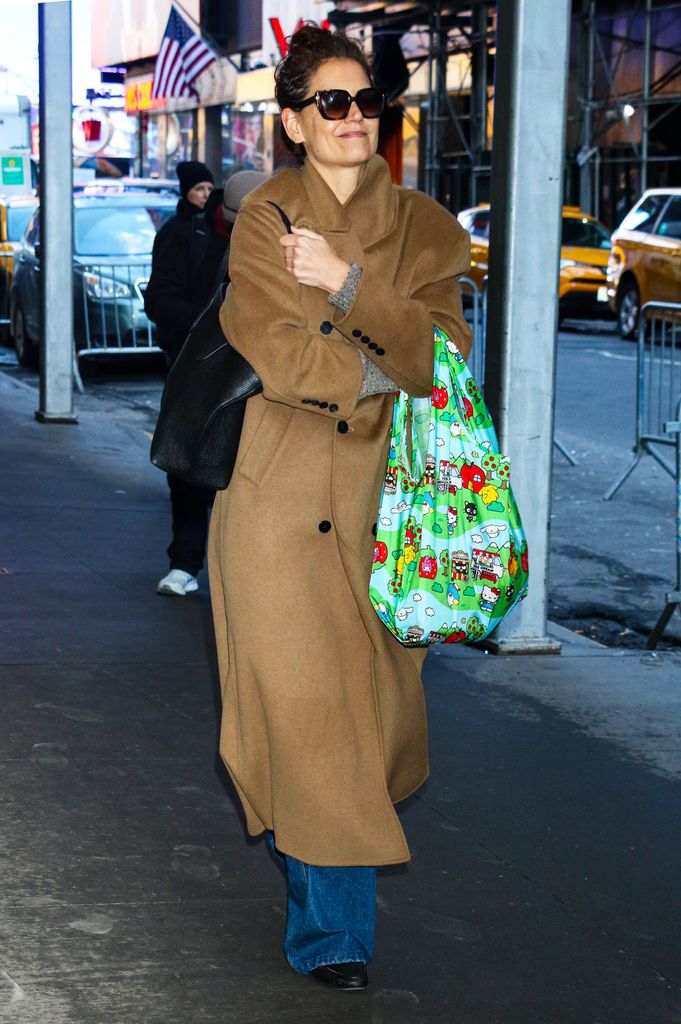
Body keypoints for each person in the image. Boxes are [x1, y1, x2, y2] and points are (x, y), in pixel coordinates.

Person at [208, 24, 471, 991]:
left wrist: (348, 285)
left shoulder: (431, 230)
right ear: (292, 120)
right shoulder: (266, 218)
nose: (355, 118)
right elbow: (277, 350)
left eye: (368, 102)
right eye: (332, 102)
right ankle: (336, 939)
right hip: (277, 509)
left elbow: (443, 357)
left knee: (362, 720)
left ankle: (314, 850)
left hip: (386, 511)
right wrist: (382, 364)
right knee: (314, 718)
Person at [145, 163, 265, 597]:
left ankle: (233, 570)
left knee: (247, 474)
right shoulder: (186, 236)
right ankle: (184, 562)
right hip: (196, 371)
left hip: (257, 376)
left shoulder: (279, 243)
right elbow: (158, 299)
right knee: (188, 468)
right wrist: (206, 327)